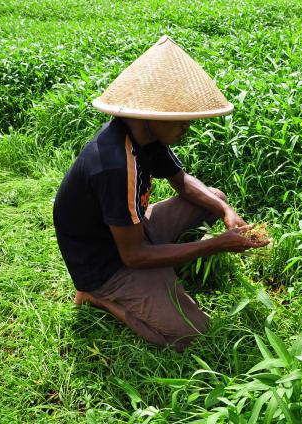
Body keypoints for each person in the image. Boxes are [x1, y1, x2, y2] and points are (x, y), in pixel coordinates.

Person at [53, 36, 268, 351]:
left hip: (130, 231)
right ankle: (100, 298)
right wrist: (216, 244)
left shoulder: (144, 135)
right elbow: (134, 256)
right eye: (181, 121)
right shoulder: (115, 164)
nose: (187, 128)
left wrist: (226, 213)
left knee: (214, 197)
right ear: (151, 113)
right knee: (192, 334)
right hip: (108, 264)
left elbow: (181, 181)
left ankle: (163, 271)